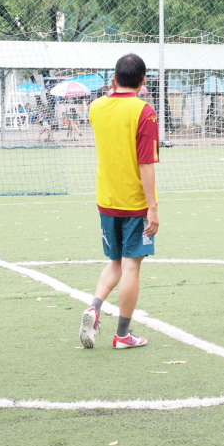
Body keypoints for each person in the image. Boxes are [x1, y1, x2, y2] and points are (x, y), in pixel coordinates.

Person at [78, 53, 159, 350]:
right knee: (131, 267)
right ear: (142, 81)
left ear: (113, 78)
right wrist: (152, 207)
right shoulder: (144, 112)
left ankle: (94, 308)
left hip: (106, 198)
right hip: (134, 201)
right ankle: (123, 334)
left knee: (114, 261)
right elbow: (146, 164)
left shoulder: (96, 107)